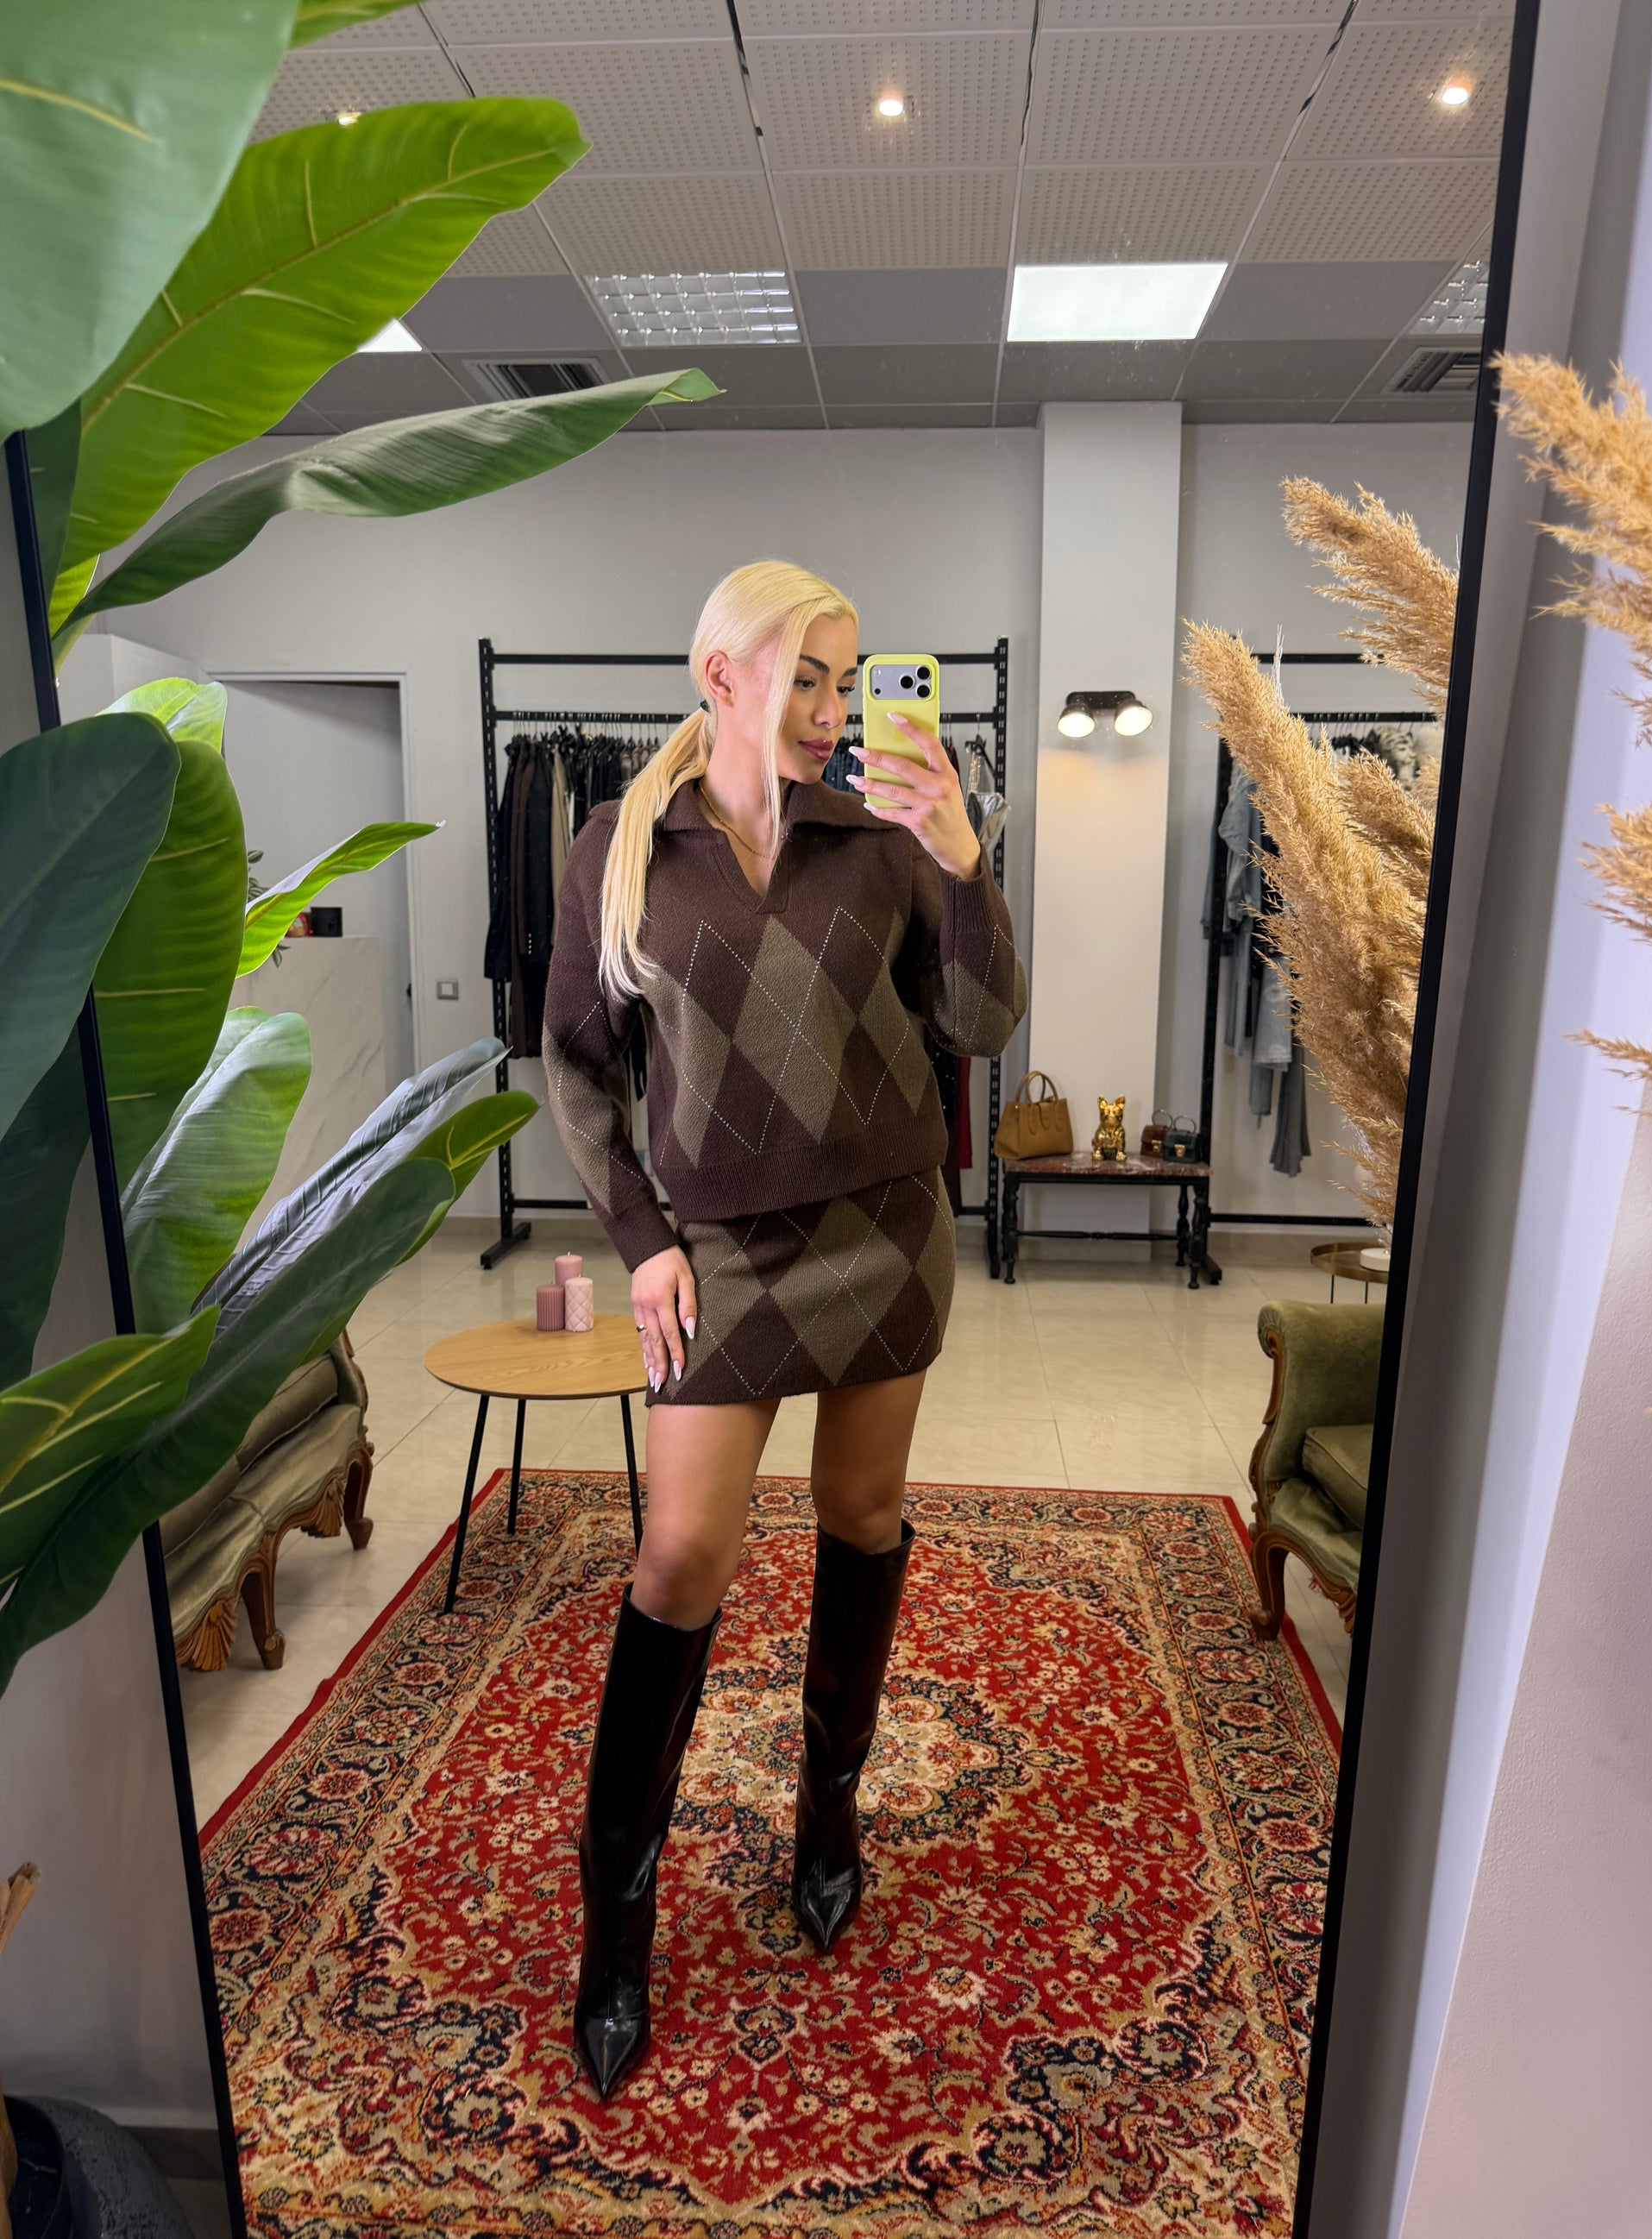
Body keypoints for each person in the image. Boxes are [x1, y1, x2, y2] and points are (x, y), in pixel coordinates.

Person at [543, 560, 1027, 2097]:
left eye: (849, 678)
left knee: (861, 1514)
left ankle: (828, 1813)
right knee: (680, 1556)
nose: (832, 710)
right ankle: (617, 1921)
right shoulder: (620, 846)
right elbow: (577, 1066)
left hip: (883, 1234)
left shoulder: (882, 834)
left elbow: (980, 1025)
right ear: (722, 675)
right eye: (806, 676)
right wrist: (640, 1245)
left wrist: (963, 860)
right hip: (720, 1260)